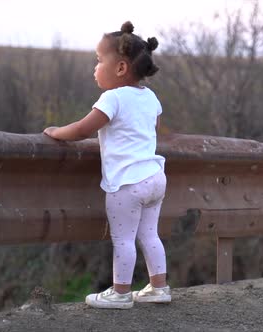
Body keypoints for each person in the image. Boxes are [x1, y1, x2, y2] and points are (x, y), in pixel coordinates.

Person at [43, 21, 170, 309]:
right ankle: (159, 288)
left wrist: (55, 132)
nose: (95, 67)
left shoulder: (112, 97)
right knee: (150, 234)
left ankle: (121, 292)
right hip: (155, 177)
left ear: (121, 68)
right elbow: (154, 128)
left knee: (123, 238)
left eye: (99, 60)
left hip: (127, 183)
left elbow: (82, 130)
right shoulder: (150, 97)